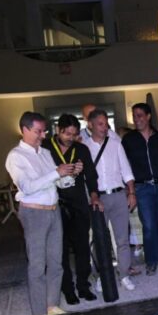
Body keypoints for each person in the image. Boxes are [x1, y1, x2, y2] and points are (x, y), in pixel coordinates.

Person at [6, 112, 80, 315]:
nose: (42, 135)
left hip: (53, 210)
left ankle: (52, 305)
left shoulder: (45, 153)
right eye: (38, 131)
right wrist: (57, 172)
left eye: (44, 130)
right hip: (34, 213)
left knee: (56, 263)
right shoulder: (16, 156)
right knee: (37, 266)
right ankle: (39, 314)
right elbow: (27, 187)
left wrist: (70, 173)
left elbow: (58, 183)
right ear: (25, 129)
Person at [41, 114, 101, 304]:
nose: (71, 138)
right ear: (59, 130)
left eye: (74, 134)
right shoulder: (45, 149)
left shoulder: (81, 149)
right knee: (61, 249)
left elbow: (91, 176)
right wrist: (59, 171)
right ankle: (67, 289)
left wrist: (94, 195)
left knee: (83, 246)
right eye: (67, 134)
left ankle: (83, 286)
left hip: (79, 203)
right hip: (56, 204)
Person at [122, 102, 158, 275]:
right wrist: (128, 186)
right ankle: (151, 261)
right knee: (148, 225)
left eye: (140, 115)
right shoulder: (129, 139)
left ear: (148, 117)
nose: (137, 119)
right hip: (142, 188)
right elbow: (124, 164)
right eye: (134, 116)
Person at [85, 109, 138, 291]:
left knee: (122, 238)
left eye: (106, 123)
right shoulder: (84, 147)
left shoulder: (116, 144)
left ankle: (124, 274)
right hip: (97, 198)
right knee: (100, 240)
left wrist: (131, 193)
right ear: (90, 125)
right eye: (100, 124)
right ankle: (101, 276)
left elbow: (127, 170)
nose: (104, 127)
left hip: (118, 195)